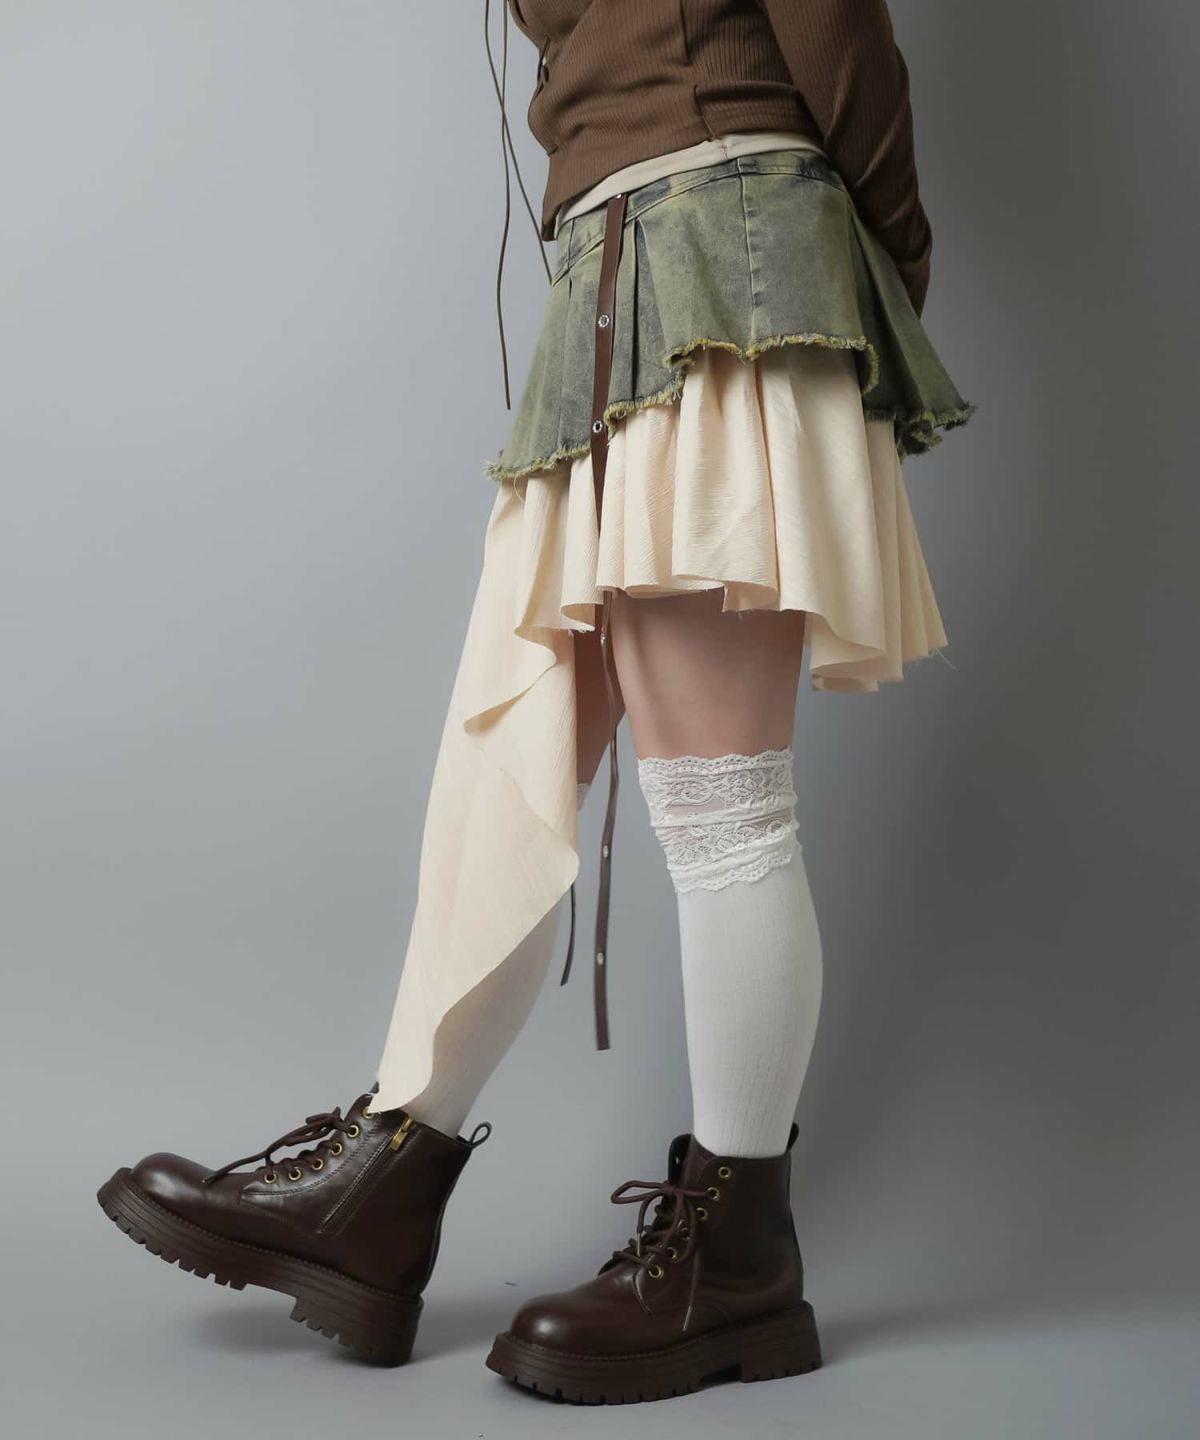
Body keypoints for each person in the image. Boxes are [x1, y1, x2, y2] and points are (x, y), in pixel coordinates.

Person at [96, 0, 973, 1404]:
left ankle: (738, 1257)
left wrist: (874, 267)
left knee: (719, 798)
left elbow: (837, 32)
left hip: (727, 243)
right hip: (621, 263)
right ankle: (387, 1179)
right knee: (508, 740)